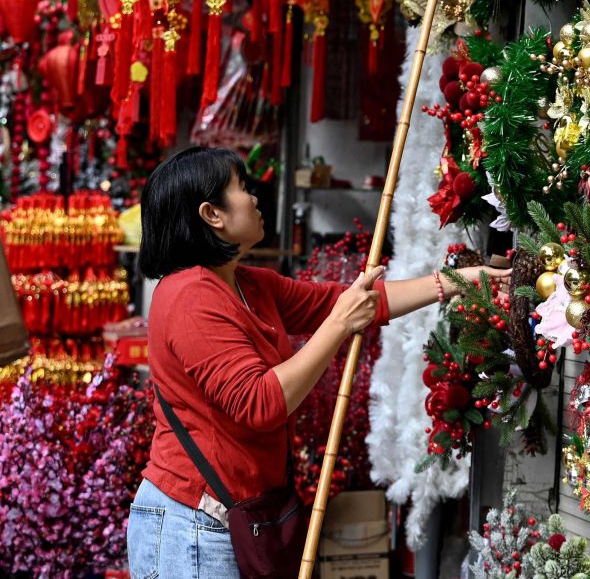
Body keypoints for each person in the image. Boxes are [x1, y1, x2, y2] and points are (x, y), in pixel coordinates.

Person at [127, 147, 507, 578]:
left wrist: (455, 282)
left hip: (235, 516)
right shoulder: (190, 297)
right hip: (194, 527)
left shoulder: (249, 284)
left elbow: (351, 303)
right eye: (243, 189)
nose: (255, 199)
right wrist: (340, 325)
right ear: (212, 214)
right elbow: (261, 403)